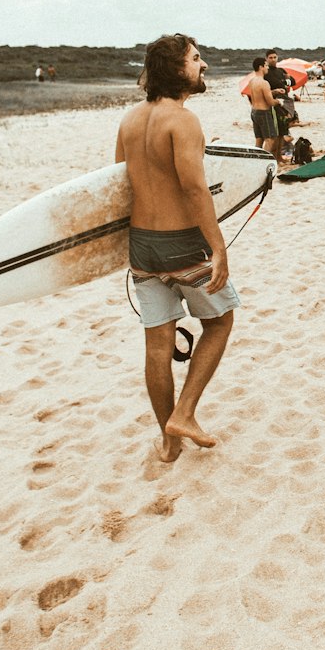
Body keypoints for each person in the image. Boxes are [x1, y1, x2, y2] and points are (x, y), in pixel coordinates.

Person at [116, 34, 239, 462]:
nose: (203, 65)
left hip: (143, 247)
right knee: (220, 323)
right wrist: (217, 246)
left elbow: (117, 187)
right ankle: (184, 414)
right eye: (196, 59)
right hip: (183, 245)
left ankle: (169, 441)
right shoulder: (183, 121)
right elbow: (193, 187)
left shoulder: (130, 120)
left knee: (157, 345)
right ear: (176, 69)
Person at [244, 56, 278, 155]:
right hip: (264, 113)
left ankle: (255, 159)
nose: (267, 68)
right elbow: (271, 102)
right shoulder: (264, 83)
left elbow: (258, 95)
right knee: (270, 139)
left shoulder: (252, 81)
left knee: (259, 140)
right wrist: (279, 102)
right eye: (266, 65)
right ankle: (263, 161)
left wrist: (273, 91)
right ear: (260, 67)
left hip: (254, 112)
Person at [264, 50, 290, 164]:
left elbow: (291, 83)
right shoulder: (266, 73)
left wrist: (287, 79)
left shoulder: (281, 71)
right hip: (274, 104)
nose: (273, 59)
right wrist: (280, 85)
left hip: (285, 102)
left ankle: (279, 155)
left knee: (283, 132)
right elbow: (267, 89)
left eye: (275, 57)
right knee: (275, 132)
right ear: (266, 59)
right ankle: (274, 156)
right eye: (270, 57)